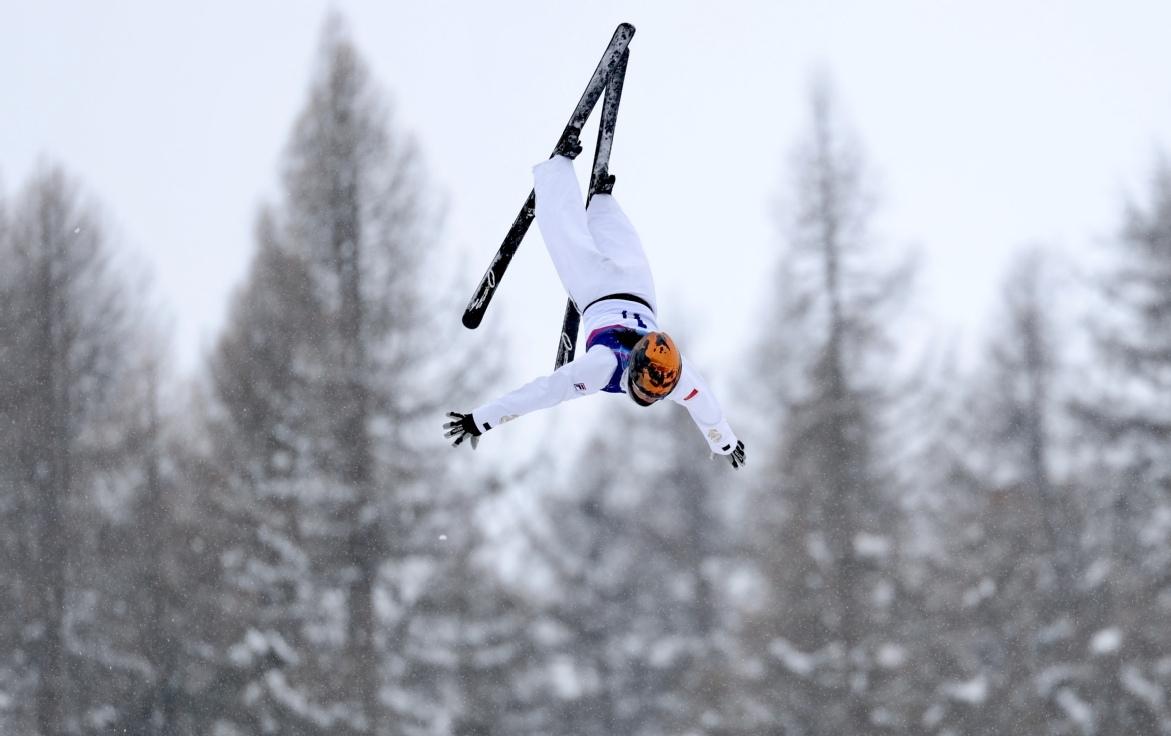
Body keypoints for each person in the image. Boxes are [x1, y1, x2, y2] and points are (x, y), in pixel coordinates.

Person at [444, 130, 745, 469]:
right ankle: (558, 169)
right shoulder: (605, 367)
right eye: (645, 390)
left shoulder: (672, 376)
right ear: (632, 368)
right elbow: (546, 391)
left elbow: (705, 405)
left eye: (650, 394)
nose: (646, 395)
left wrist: (725, 442)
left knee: (616, 238)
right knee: (564, 234)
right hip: (596, 289)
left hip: (638, 287)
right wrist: (482, 420)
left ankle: (600, 199)